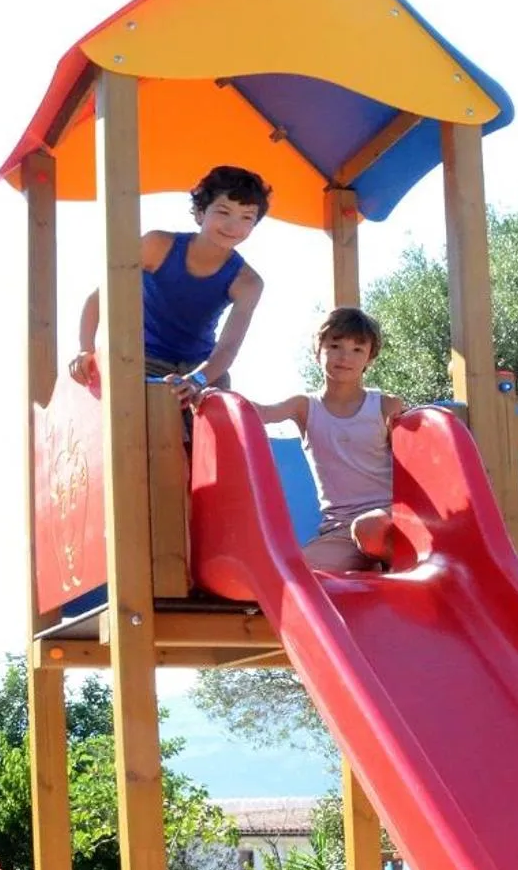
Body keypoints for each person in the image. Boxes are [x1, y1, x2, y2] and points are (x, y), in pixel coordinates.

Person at [68, 166, 270, 405]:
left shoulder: (248, 282)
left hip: (200, 364)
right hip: (142, 356)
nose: (233, 225)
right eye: (223, 212)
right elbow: (99, 298)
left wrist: (197, 380)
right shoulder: (157, 246)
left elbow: (228, 348)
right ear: (199, 212)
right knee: (135, 401)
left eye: (246, 217)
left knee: (219, 406)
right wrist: (85, 348)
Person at [246, 307, 405, 572]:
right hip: (341, 529)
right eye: (335, 346)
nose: (345, 357)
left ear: (370, 358)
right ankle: (375, 567)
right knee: (298, 572)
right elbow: (260, 413)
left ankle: (401, 566)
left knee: (369, 528)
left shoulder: (385, 406)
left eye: (357, 349)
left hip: (390, 518)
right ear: (317, 351)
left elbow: (414, 464)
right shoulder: (304, 407)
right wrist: (211, 395)